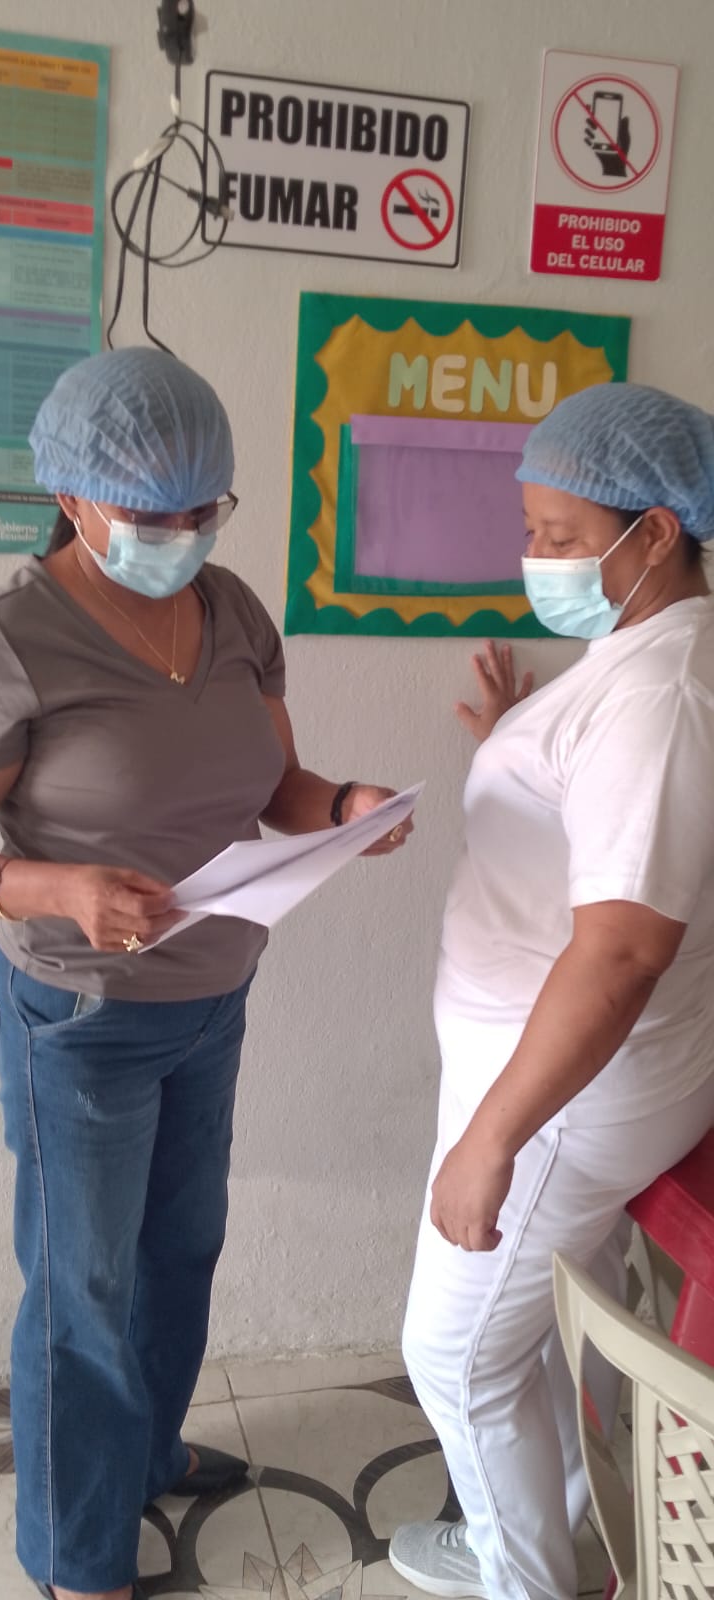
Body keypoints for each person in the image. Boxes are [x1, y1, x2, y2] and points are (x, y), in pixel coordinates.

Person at [0, 346, 412, 1600]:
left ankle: (148, 1450)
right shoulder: (19, 636)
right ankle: (76, 1555)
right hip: (81, 1012)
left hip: (214, 995)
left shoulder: (232, 611)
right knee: (85, 1286)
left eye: (201, 508)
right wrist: (64, 888)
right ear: (71, 496)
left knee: (182, 1247)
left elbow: (277, 784)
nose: (179, 534)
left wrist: (344, 804)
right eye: (150, 511)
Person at [389, 382, 714, 1600]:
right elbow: (618, 825)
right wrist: (524, 748)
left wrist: (493, 1140)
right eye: (531, 528)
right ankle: (538, 1533)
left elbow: (622, 951)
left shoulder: (661, 691)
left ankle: (523, 1580)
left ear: (656, 532)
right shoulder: (642, 661)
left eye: (563, 535)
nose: (537, 556)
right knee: (529, 1331)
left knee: (455, 1357)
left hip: (564, 1092)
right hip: (568, 1072)